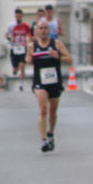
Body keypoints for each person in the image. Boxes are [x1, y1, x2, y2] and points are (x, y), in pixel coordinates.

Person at [29, 18, 72, 151]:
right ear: (36, 31)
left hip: (54, 81)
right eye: (40, 28)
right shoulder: (32, 46)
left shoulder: (57, 44)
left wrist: (57, 56)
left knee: (53, 111)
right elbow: (27, 60)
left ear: (49, 30)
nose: (43, 31)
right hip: (40, 81)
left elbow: (69, 60)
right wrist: (30, 58)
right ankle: (43, 140)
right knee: (43, 109)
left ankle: (50, 134)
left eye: (45, 28)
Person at [6, 8, 31, 89]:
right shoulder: (11, 26)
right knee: (15, 69)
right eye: (17, 16)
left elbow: (29, 35)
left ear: (22, 16)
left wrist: (27, 40)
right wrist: (10, 39)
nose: (18, 18)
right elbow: (6, 35)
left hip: (23, 48)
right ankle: (15, 69)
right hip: (14, 48)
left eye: (19, 16)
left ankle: (21, 83)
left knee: (22, 65)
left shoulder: (25, 26)